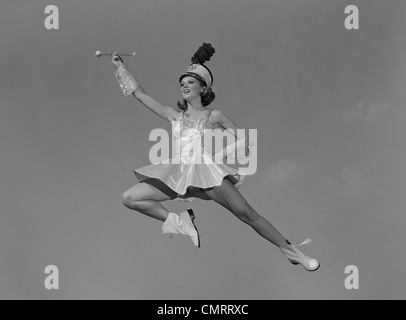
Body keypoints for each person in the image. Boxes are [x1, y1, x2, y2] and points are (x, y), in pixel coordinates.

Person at [111, 43, 320, 271]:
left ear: (203, 88)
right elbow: (140, 95)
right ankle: (179, 222)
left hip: (206, 172)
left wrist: (222, 154)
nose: (184, 86)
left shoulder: (214, 116)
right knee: (130, 197)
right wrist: (121, 68)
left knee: (247, 213)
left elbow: (243, 140)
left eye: (190, 82)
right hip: (180, 174)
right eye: (182, 83)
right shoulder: (174, 116)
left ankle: (292, 251)